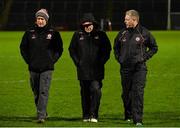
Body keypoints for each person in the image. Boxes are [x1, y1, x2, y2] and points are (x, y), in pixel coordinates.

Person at [114, 10, 158, 126]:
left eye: (127, 19)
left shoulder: (144, 32)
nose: (125, 21)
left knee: (137, 93)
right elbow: (116, 47)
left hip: (139, 68)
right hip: (125, 69)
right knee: (126, 93)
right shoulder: (122, 33)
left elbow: (154, 47)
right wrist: (120, 59)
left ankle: (138, 119)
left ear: (134, 20)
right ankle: (128, 114)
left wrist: (144, 57)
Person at [20, 9, 63, 123]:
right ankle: (43, 111)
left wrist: (52, 60)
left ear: (46, 20)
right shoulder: (29, 32)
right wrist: (29, 61)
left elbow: (59, 49)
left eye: (42, 19)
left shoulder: (53, 33)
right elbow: (23, 48)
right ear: (36, 20)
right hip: (33, 67)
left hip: (47, 68)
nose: (40, 21)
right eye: (38, 19)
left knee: (43, 91)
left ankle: (41, 116)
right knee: (36, 92)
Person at [69, 13, 111, 123]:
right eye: (85, 25)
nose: (87, 26)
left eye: (89, 24)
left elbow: (107, 50)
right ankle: (86, 115)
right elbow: (72, 50)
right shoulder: (77, 35)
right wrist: (78, 62)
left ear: (93, 24)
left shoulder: (101, 34)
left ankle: (94, 114)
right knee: (85, 93)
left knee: (96, 90)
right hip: (83, 71)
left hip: (97, 70)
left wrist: (101, 62)